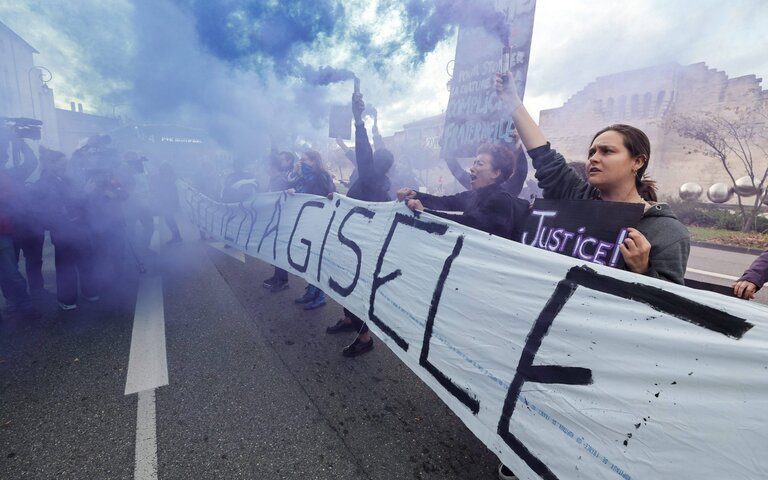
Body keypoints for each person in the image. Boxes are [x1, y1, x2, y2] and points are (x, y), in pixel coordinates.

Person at [494, 69, 690, 480]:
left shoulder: (666, 231)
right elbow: (544, 157)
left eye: (607, 151)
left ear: (638, 161)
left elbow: (671, 316)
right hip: (545, 339)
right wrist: (512, 102)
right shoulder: (577, 199)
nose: (594, 158)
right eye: (592, 151)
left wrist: (642, 273)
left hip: (600, 366)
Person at [325, 91, 395, 357]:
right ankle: (349, 319)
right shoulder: (377, 184)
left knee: (352, 287)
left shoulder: (372, 179)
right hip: (352, 240)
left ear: (376, 164)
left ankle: (364, 337)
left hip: (358, 244)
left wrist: (359, 121)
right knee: (343, 283)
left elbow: (364, 152)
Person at [397, 143, 530, 242]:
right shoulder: (473, 195)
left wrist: (425, 212)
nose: (472, 168)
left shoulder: (501, 200)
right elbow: (444, 202)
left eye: (479, 164)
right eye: (474, 163)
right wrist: (415, 195)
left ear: (496, 173)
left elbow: (468, 224)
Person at [288, 150, 334, 308]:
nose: (301, 162)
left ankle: (320, 296)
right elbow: (295, 186)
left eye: (304, 159)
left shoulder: (322, 176)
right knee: (308, 260)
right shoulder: (304, 176)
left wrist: (298, 192)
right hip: (307, 222)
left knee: (316, 260)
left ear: (314, 161)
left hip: (318, 224)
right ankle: (311, 291)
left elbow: (326, 196)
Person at [262, 151, 296, 292]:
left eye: (266, 165)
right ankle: (277, 277)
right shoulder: (274, 180)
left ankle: (282, 281)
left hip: (281, 222)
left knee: (280, 251)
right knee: (275, 251)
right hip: (274, 220)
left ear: (272, 166)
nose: (264, 168)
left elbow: (284, 202)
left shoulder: (280, 181)